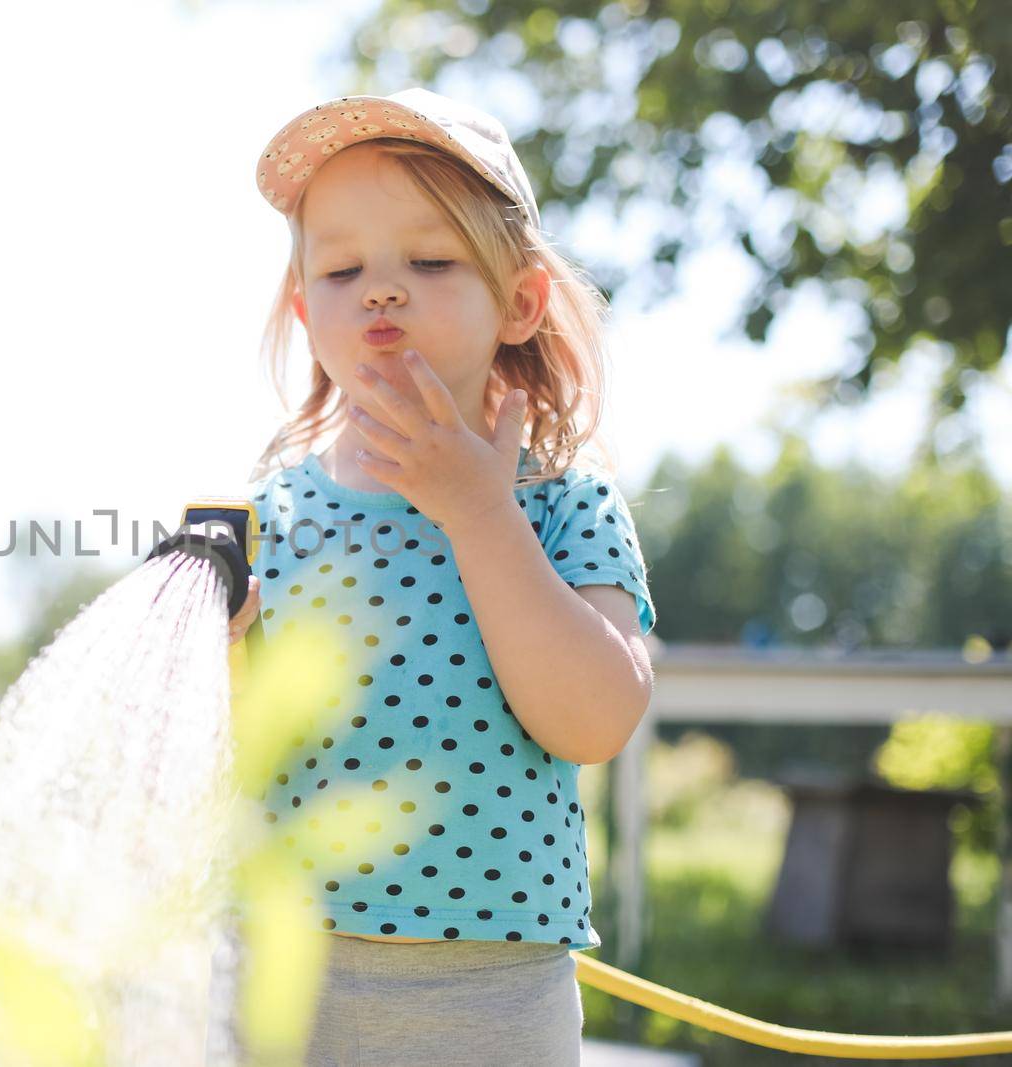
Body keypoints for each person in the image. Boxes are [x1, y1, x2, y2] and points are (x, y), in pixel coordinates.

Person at [216, 87, 659, 1066]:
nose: (380, 288)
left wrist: (478, 510)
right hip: (282, 978)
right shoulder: (273, 516)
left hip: (489, 997)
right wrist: (227, 656)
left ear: (520, 301)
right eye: (341, 267)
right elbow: (239, 763)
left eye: (427, 259)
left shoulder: (559, 504)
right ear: (305, 309)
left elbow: (593, 718)